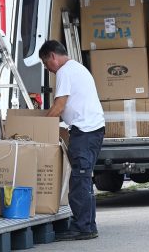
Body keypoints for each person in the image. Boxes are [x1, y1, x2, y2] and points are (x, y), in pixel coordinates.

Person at [39, 40, 105, 241]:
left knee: (79, 178)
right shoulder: (77, 68)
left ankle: (83, 227)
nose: (47, 69)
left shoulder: (65, 72)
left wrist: (40, 127)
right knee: (83, 178)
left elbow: (59, 106)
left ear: (53, 56)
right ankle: (87, 224)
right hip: (91, 130)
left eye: (45, 63)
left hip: (85, 131)